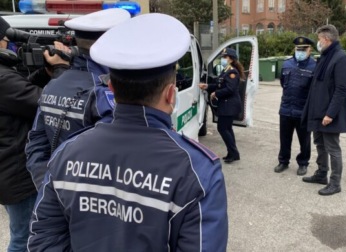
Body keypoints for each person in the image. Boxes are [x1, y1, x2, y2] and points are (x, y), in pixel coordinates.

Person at [27, 13, 228, 252]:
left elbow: (42, 241)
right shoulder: (199, 171)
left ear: (110, 87)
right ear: (171, 94)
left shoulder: (66, 153)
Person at [25, 8, 131, 191]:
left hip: (60, 198)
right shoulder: (105, 92)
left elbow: (35, 145)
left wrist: (50, 190)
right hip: (98, 205)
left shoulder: (53, 85)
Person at [0, 16, 70, 252]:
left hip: (9, 170)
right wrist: (62, 70)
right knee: (25, 237)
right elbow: (45, 102)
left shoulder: (5, 77)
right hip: (17, 173)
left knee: (22, 233)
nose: (7, 44)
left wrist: (46, 72)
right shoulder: (2, 79)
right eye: (4, 39)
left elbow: (22, 91)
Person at [301, 25, 346, 196]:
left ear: (327, 39)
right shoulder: (325, 57)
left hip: (329, 114)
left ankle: (335, 183)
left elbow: (341, 90)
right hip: (317, 112)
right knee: (320, 144)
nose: (318, 42)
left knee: (333, 148)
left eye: (319, 39)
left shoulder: (341, 58)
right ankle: (321, 174)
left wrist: (330, 114)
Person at [274, 36, 316, 176]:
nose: (300, 52)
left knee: (304, 140)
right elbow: (283, 82)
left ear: (310, 50)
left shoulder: (314, 66)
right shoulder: (287, 64)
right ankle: (283, 161)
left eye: (304, 49)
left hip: (303, 110)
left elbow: (315, 90)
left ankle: (303, 163)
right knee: (284, 138)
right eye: (298, 49)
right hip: (286, 108)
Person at [199, 48, 244, 164]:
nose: (223, 59)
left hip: (229, 105)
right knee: (227, 129)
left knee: (222, 128)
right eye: (223, 57)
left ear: (231, 59)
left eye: (225, 57)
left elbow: (230, 89)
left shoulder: (232, 72)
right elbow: (219, 85)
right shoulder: (226, 70)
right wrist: (207, 86)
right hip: (226, 105)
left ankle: (234, 153)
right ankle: (232, 153)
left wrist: (216, 93)